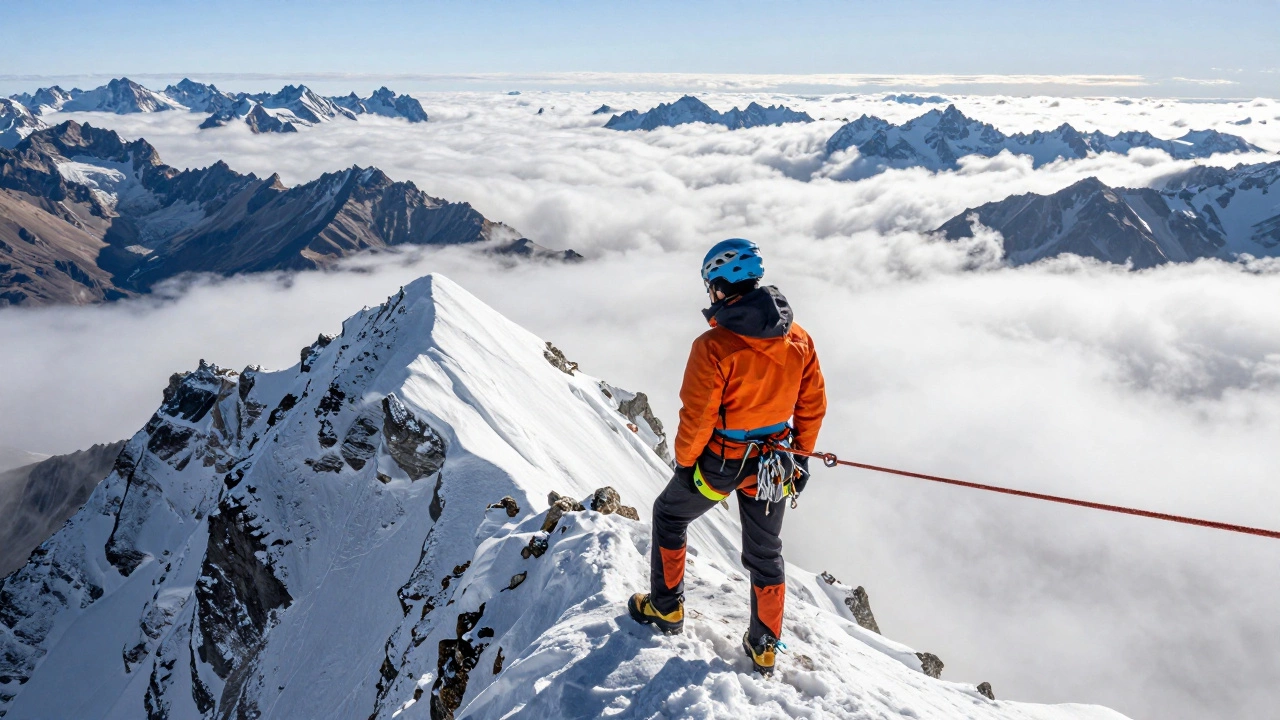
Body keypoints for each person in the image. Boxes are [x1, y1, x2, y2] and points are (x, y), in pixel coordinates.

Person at [629, 238, 827, 677]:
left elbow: (697, 416)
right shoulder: (799, 337)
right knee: (765, 551)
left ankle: (666, 609)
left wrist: (685, 462)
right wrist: (802, 456)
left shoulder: (714, 346)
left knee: (669, 514)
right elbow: (811, 404)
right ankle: (765, 646)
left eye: (709, 286)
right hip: (775, 463)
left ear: (720, 286)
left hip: (721, 463)